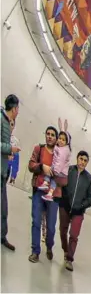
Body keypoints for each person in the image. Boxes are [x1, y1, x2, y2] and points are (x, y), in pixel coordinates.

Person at [28, 125, 67, 263]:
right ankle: (35, 251)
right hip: (39, 191)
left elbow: (65, 179)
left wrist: (56, 175)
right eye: (48, 134)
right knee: (36, 222)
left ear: (57, 139)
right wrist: (41, 167)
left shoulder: (61, 155)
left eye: (52, 135)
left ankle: (49, 246)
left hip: (54, 196)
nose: (49, 136)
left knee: (51, 227)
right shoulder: (39, 149)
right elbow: (31, 165)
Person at [59, 150, 91, 271]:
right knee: (62, 231)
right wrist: (64, 199)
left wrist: (81, 205)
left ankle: (69, 259)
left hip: (78, 212)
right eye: (81, 159)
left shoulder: (89, 179)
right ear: (77, 159)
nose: (82, 162)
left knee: (74, 235)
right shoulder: (69, 170)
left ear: (87, 163)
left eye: (85, 160)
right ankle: (65, 250)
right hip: (65, 206)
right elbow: (62, 185)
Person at [1, 94, 21, 251]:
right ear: (14, 108)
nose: (18, 111)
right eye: (18, 108)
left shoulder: (7, 122)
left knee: (3, 208)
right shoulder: (1, 119)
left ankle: (2, 236)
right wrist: (10, 149)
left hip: (3, 172)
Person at [39, 119, 71, 202]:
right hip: (58, 169)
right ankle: (49, 191)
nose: (60, 140)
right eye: (60, 138)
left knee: (52, 175)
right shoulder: (59, 148)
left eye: (63, 140)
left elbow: (60, 162)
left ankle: (47, 185)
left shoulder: (64, 151)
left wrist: (55, 171)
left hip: (60, 171)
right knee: (52, 177)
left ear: (67, 142)